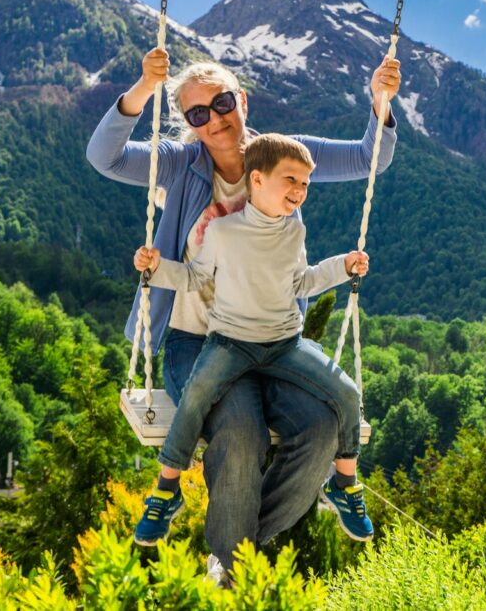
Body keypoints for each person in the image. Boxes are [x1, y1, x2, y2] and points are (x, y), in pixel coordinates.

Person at [86, 46, 399, 577]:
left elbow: (372, 156)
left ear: (243, 100)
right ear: (188, 123)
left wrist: (381, 101)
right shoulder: (181, 163)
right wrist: (143, 88)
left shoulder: (283, 156)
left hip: (275, 339)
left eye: (223, 102)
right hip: (198, 341)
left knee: (322, 428)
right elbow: (105, 157)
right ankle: (233, 564)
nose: (214, 119)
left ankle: (235, 548)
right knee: (240, 430)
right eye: (197, 114)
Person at [132, 133, 374, 547]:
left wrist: (343, 266)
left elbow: (303, 281)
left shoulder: (292, 233)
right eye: (291, 180)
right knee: (195, 397)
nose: (299, 191)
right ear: (257, 181)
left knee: (348, 393)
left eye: (305, 184)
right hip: (229, 343)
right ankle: (166, 489)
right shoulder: (224, 232)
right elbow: (195, 278)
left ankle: (345, 483)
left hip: (284, 345)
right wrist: (156, 269)